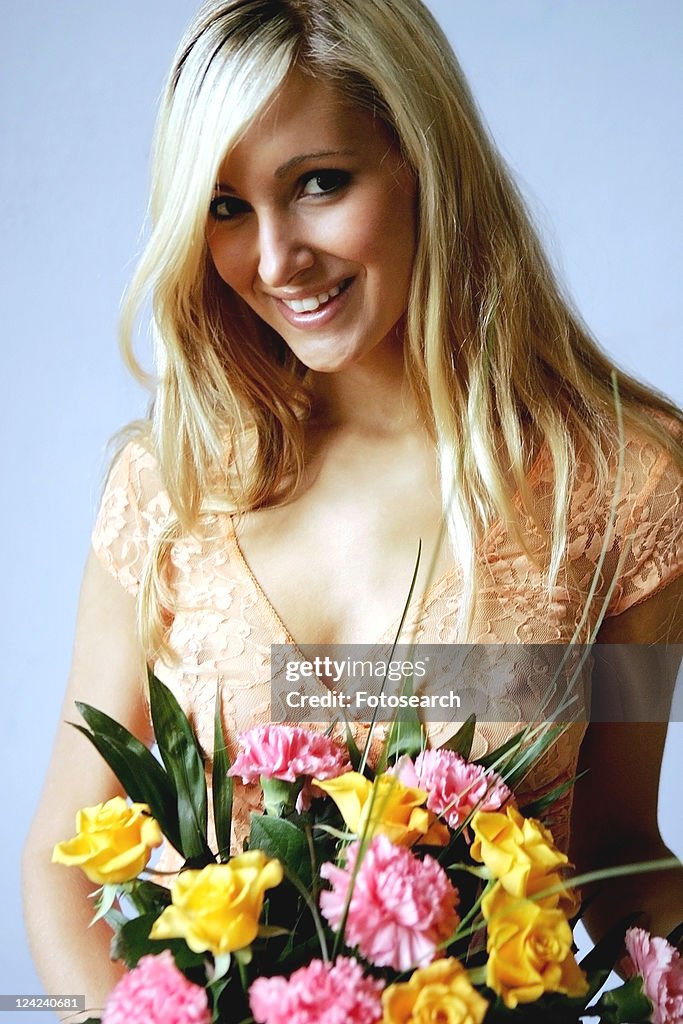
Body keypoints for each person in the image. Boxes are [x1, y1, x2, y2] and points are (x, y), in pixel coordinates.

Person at [23, 0, 683, 1017]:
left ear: (424, 159)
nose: (274, 259)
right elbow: (62, 851)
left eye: (318, 183)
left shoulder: (626, 492)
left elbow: (614, 847)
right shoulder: (169, 486)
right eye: (226, 206)